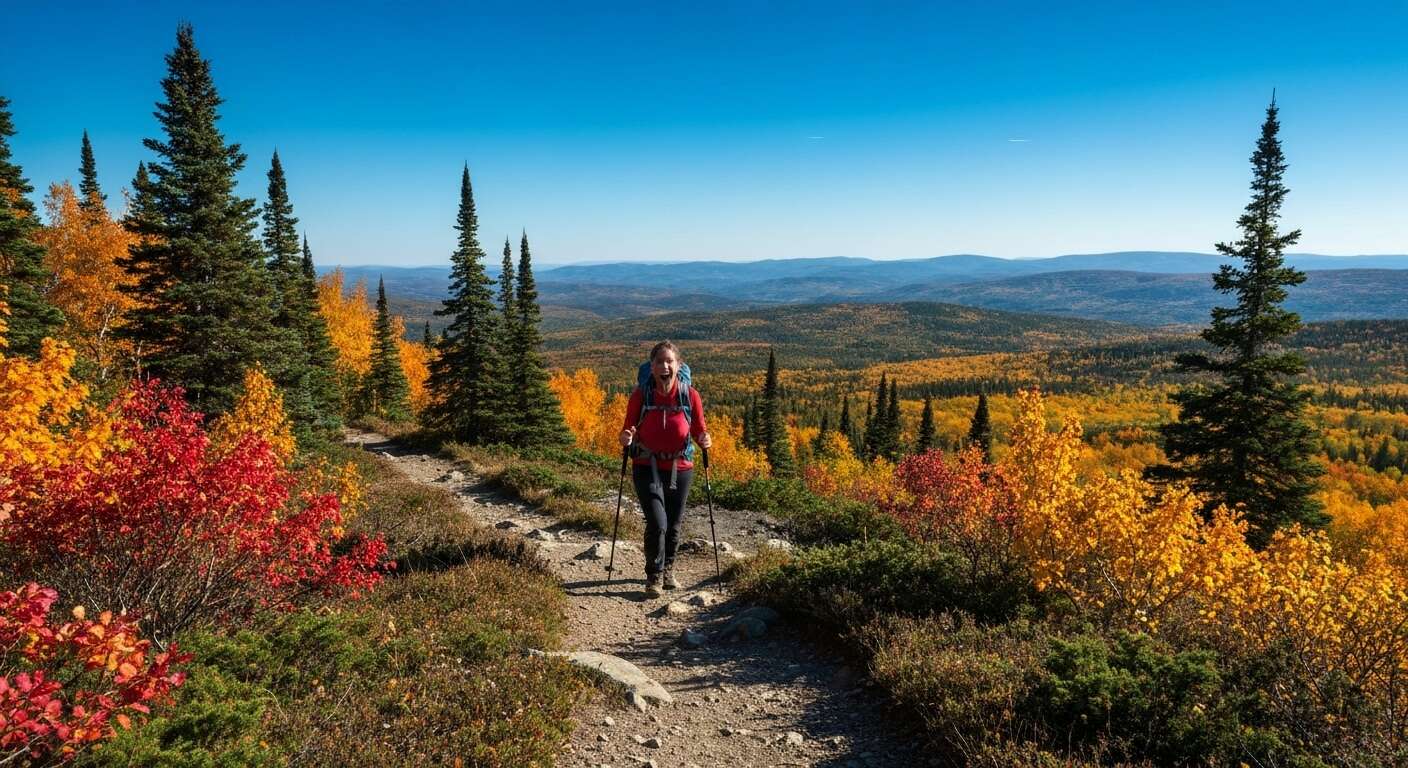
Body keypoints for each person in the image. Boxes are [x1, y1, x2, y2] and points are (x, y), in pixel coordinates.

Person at [619, 341, 711, 597]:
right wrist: (626, 438)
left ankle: (669, 568)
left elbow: (699, 429)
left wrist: (705, 439)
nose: (665, 366)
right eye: (659, 361)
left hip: (681, 466)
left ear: (678, 366)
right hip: (646, 465)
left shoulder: (689, 395)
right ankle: (654, 575)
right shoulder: (641, 395)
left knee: (674, 525)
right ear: (652, 368)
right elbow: (627, 429)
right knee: (658, 522)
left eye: (669, 361)